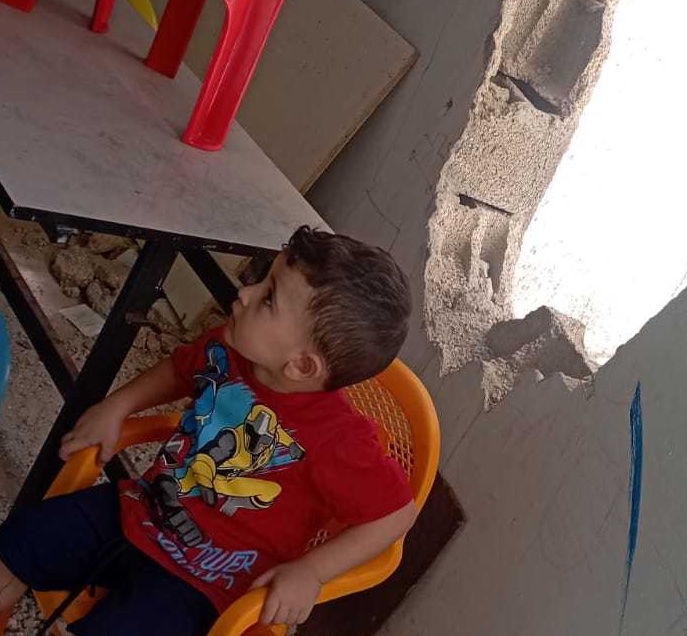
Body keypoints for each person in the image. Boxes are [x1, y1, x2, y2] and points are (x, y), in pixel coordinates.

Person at [0, 227, 417, 635]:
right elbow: (179, 371)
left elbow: (396, 515)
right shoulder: (230, 346)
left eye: (268, 298)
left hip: (205, 585)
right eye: (264, 281)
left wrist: (310, 571)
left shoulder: (339, 439)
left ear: (302, 366)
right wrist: (118, 406)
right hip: (142, 511)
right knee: (18, 544)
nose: (246, 293)